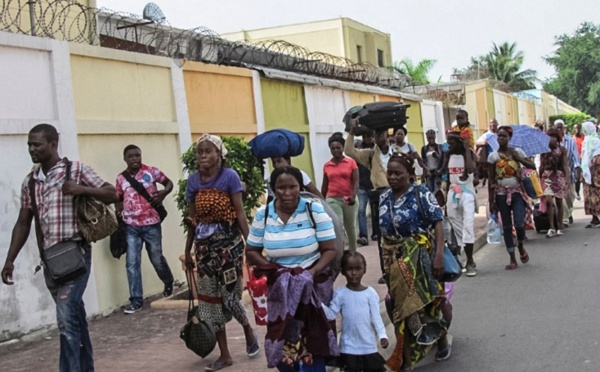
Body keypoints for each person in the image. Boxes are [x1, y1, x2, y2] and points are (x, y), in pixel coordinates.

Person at [1, 124, 118, 372]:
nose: (32, 149)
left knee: (65, 317)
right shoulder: (30, 181)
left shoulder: (75, 170)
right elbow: (23, 222)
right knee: (74, 316)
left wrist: (82, 189)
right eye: (29, 145)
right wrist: (10, 260)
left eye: (37, 144)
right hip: (51, 262)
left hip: (76, 254)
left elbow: (112, 193)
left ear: (53, 144)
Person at [246, 166, 339, 371]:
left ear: (300, 187)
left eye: (292, 187)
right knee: (282, 340)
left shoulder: (313, 209)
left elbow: (330, 250)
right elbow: (251, 250)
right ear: (273, 190)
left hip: (312, 285)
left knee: (313, 341)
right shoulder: (264, 214)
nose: (287, 193)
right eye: (281, 188)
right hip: (280, 288)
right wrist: (278, 271)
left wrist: (309, 274)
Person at [183, 134, 258, 371]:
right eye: (200, 152)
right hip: (204, 250)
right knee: (210, 302)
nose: (203, 155)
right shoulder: (193, 181)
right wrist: (187, 252)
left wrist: (252, 246)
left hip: (229, 247)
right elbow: (192, 220)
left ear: (219, 154)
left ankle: (247, 329)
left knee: (229, 298)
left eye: (208, 151)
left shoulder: (229, 177)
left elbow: (240, 214)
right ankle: (225, 355)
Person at [378, 154, 450, 371]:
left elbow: (437, 221)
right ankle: (406, 359)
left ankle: (441, 339)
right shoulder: (383, 198)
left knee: (428, 303)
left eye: (397, 173)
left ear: (410, 175)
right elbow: (381, 236)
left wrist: (438, 255)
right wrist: (384, 266)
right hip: (393, 259)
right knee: (399, 306)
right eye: (389, 172)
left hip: (420, 257)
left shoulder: (420, 193)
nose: (392, 177)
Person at [116, 145, 174, 314]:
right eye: (131, 156)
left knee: (156, 258)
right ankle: (136, 300)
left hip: (151, 223)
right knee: (132, 263)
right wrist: (118, 212)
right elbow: (118, 197)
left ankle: (168, 281)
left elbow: (168, 183)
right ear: (125, 159)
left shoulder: (152, 172)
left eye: (137, 155)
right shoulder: (121, 178)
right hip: (131, 226)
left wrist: (163, 193)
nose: (135, 159)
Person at [344, 121, 394, 284]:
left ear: (387, 134)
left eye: (382, 134)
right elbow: (349, 151)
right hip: (379, 197)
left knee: (399, 234)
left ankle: (401, 269)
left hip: (397, 196)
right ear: (374, 137)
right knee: (382, 237)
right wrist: (351, 132)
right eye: (376, 135)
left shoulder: (397, 152)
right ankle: (386, 272)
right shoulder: (370, 154)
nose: (379, 137)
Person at [321, 251, 388, 372]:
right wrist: (316, 301)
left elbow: (376, 318)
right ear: (342, 271)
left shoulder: (370, 294)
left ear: (364, 270)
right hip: (348, 347)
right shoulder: (340, 293)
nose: (354, 273)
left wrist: (383, 336)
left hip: (368, 345)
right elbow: (331, 314)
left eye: (358, 269)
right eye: (349, 269)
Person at [488, 126, 535, 270]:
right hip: (501, 194)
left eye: (504, 136)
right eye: (499, 136)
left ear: (509, 138)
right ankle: (512, 258)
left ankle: (520, 245)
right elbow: (491, 180)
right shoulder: (493, 157)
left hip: (517, 193)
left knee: (520, 223)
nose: (501, 139)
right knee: (507, 227)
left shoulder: (517, 152)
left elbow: (532, 165)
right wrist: (491, 201)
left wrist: (518, 158)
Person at [445, 133, 478, 277]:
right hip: (453, 194)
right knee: (457, 226)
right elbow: (446, 176)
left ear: (459, 143)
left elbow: (470, 170)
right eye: (448, 142)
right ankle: (465, 257)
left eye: (451, 142)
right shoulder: (448, 155)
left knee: (468, 226)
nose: (449, 145)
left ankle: (470, 261)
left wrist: (466, 149)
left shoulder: (469, 154)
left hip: (467, 194)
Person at [322, 134, 359, 253]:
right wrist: (322, 200)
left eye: (338, 148)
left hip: (349, 199)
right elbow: (325, 184)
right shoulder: (327, 165)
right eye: (333, 148)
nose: (335, 150)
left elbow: (356, 181)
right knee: (337, 225)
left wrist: (353, 196)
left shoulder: (351, 162)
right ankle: (340, 252)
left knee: (350, 227)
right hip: (332, 199)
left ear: (342, 148)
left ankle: (353, 252)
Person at [539, 128, 569, 238]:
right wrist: (539, 178)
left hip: (559, 176)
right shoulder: (544, 150)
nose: (552, 138)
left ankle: (559, 226)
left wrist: (567, 180)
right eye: (550, 136)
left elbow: (565, 165)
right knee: (548, 201)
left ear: (558, 138)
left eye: (554, 136)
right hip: (546, 176)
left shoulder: (562, 150)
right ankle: (551, 227)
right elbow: (541, 165)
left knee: (559, 201)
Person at [554, 119, 581, 227]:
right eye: (557, 127)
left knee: (570, 196)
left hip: (568, 173)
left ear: (564, 128)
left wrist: (578, 169)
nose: (559, 130)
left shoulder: (570, 141)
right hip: (556, 174)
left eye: (561, 127)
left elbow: (575, 157)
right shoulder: (551, 141)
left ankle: (568, 212)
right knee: (561, 197)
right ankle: (564, 218)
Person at [356, 132, 375, 246]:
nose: (367, 138)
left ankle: (376, 233)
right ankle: (363, 236)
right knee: (361, 210)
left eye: (369, 136)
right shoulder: (358, 150)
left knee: (375, 211)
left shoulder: (376, 149)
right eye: (365, 136)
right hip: (362, 185)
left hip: (374, 185)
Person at [581, 121, 600, 227]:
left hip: (595, 172)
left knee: (596, 195)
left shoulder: (595, 140)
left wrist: (592, 169)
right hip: (586, 170)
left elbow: (597, 156)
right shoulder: (586, 140)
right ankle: (594, 218)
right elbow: (584, 156)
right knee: (588, 195)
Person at [573, 123, 585, 200]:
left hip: (584, 160)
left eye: (578, 128)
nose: (577, 129)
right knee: (577, 178)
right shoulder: (572, 138)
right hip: (577, 161)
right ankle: (577, 192)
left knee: (585, 177)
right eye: (575, 128)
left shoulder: (584, 137)